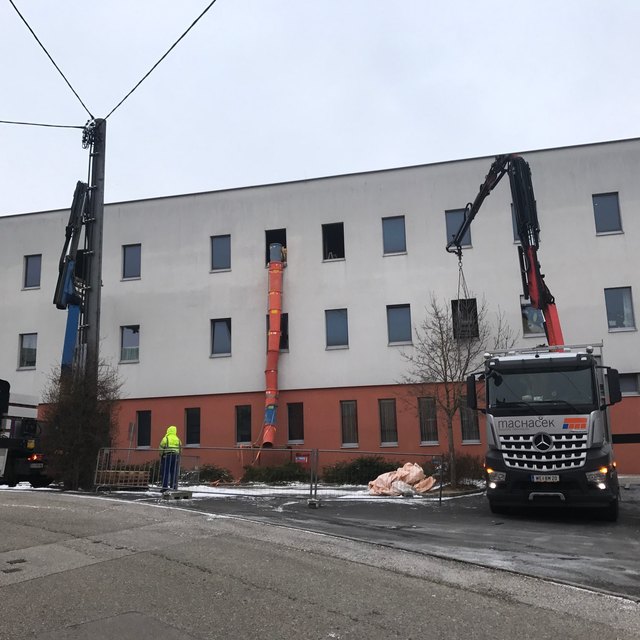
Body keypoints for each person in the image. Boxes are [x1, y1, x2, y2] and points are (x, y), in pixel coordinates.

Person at [159, 425, 182, 492]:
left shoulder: (166, 438)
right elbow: (180, 448)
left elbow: (161, 446)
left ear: (168, 431)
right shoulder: (178, 439)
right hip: (176, 456)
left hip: (167, 456)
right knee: (174, 472)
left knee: (166, 471)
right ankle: (173, 486)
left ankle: (165, 487)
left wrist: (161, 454)